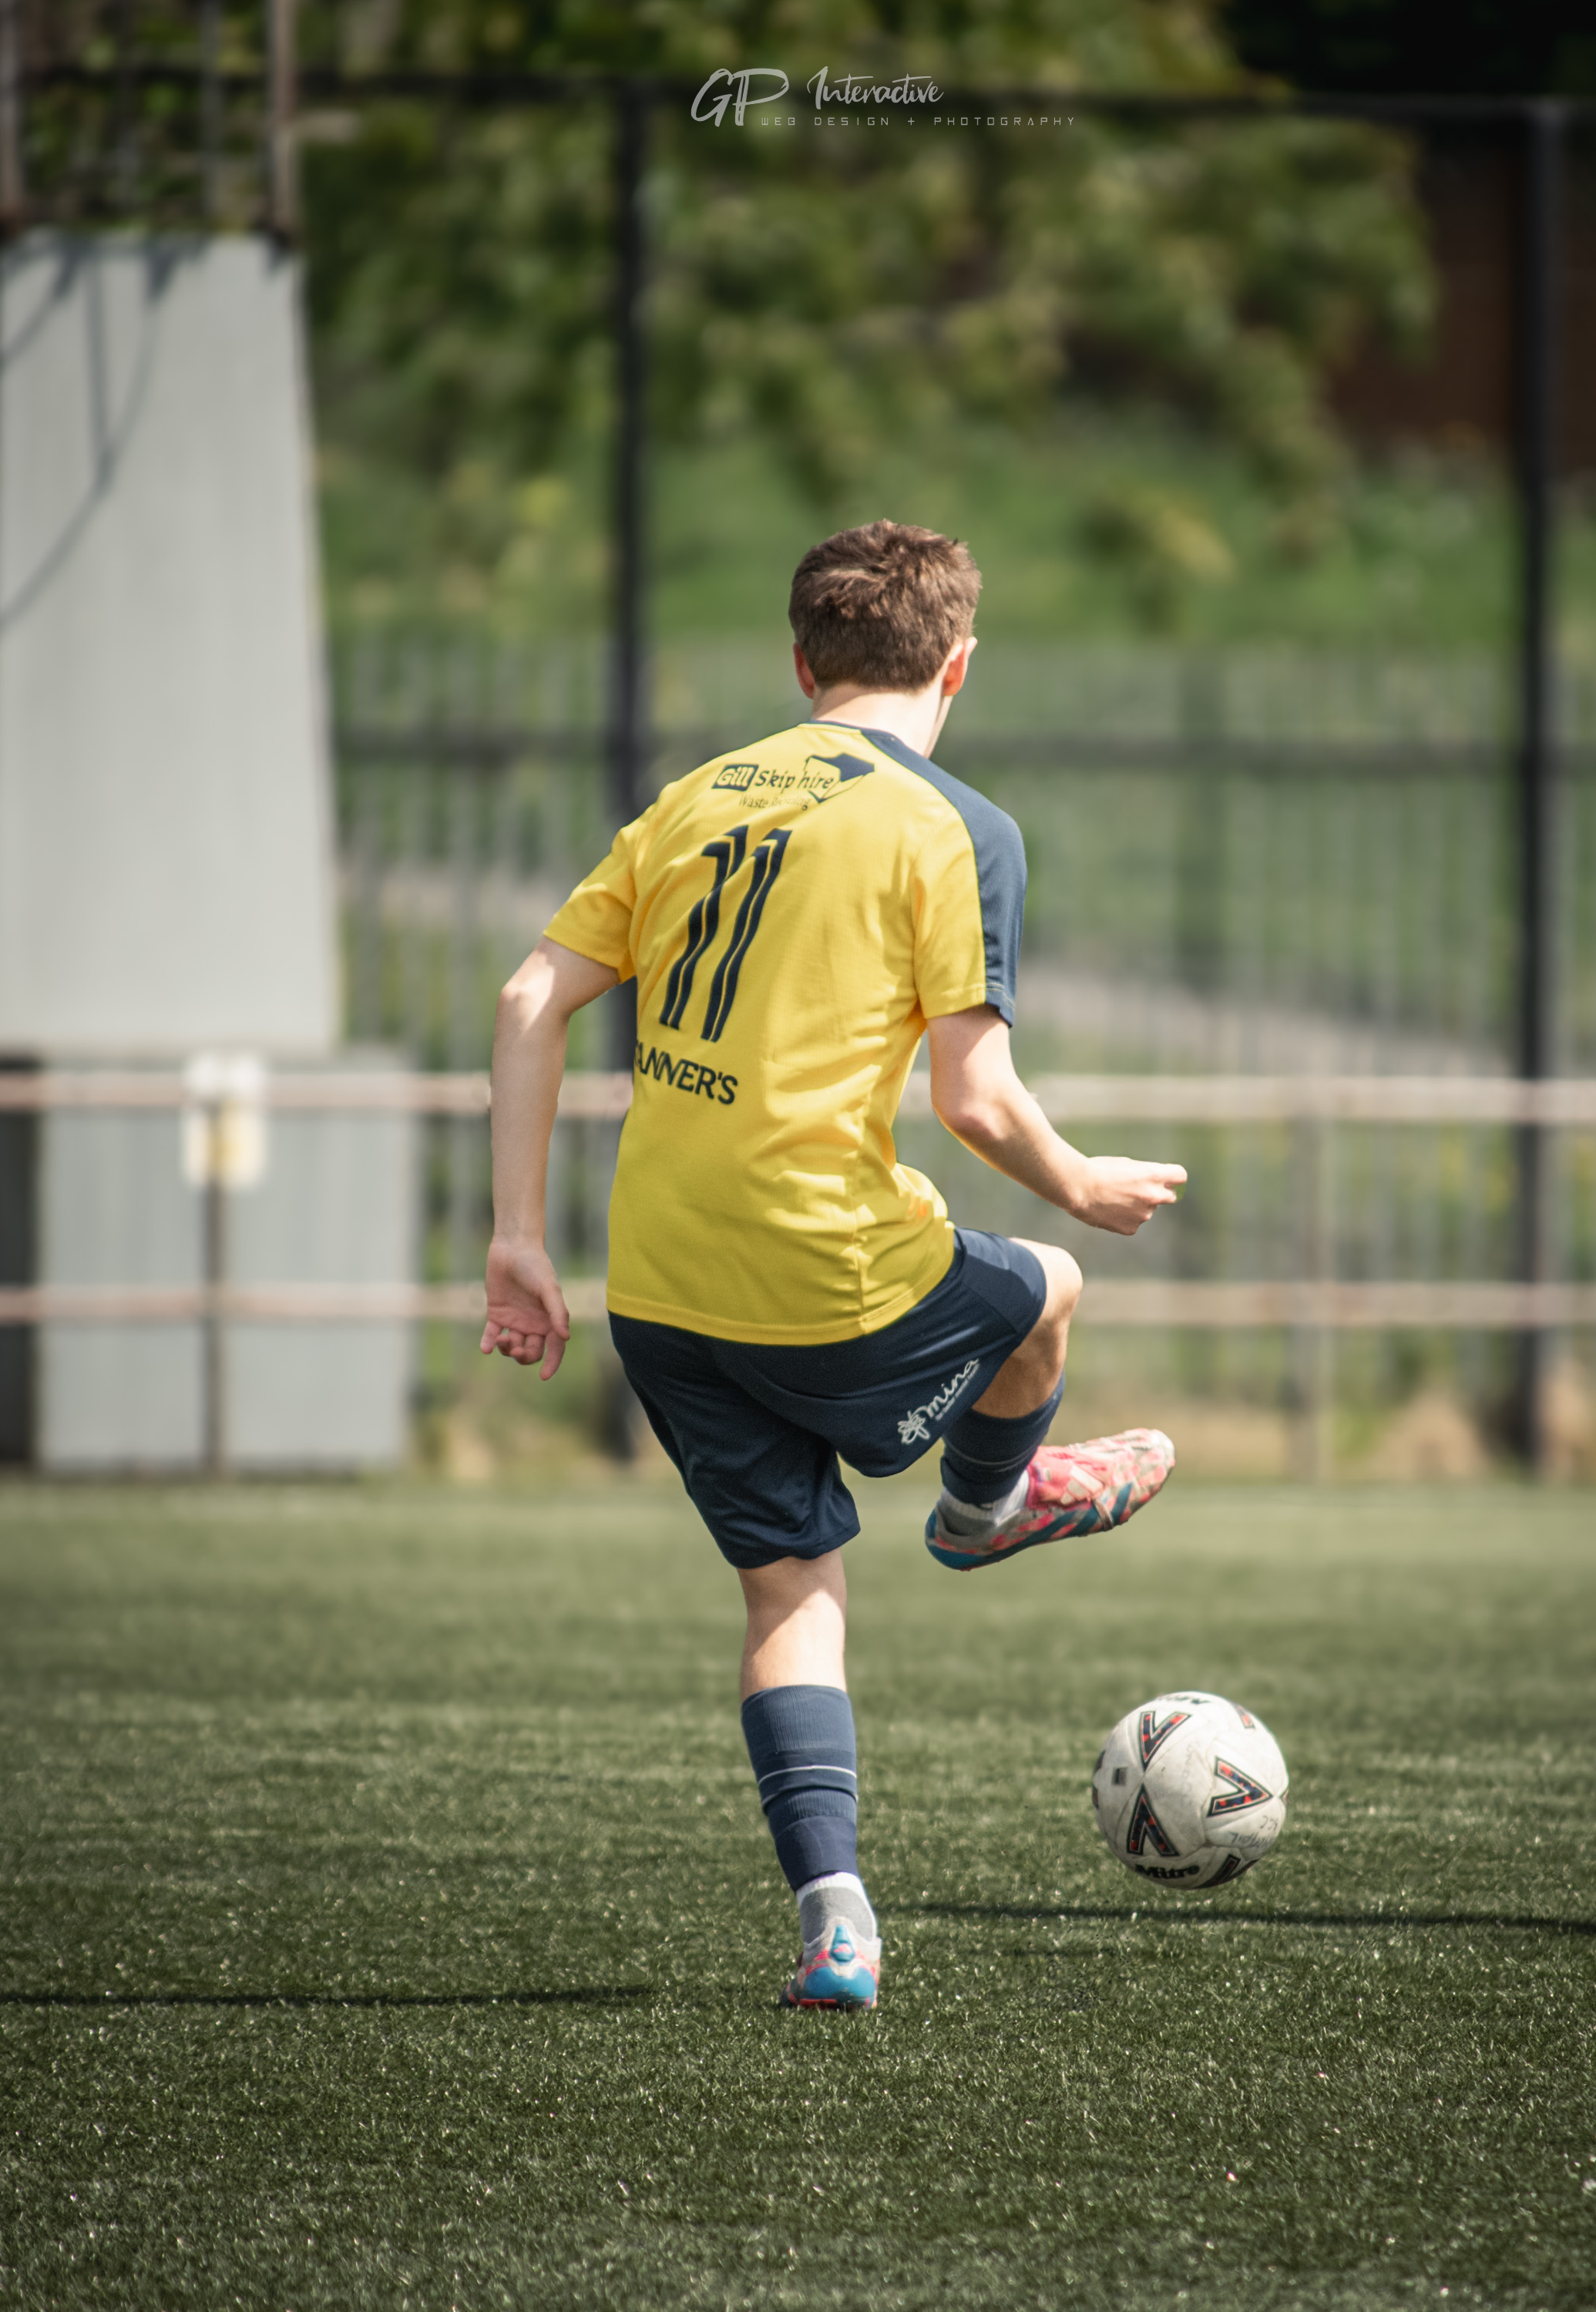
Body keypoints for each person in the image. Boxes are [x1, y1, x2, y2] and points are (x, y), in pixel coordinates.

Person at [481, 520, 1188, 2006]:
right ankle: (989, 1511)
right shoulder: (952, 823)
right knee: (1050, 1290)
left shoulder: (695, 799)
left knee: (794, 1591)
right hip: (827, 1273)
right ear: (959, 665)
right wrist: (1080, 1183)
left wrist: (516, 1239)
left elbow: (531, 994)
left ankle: (837, 1919)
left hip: (660, 1288)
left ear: (801, 663)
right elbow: (977, 1098)